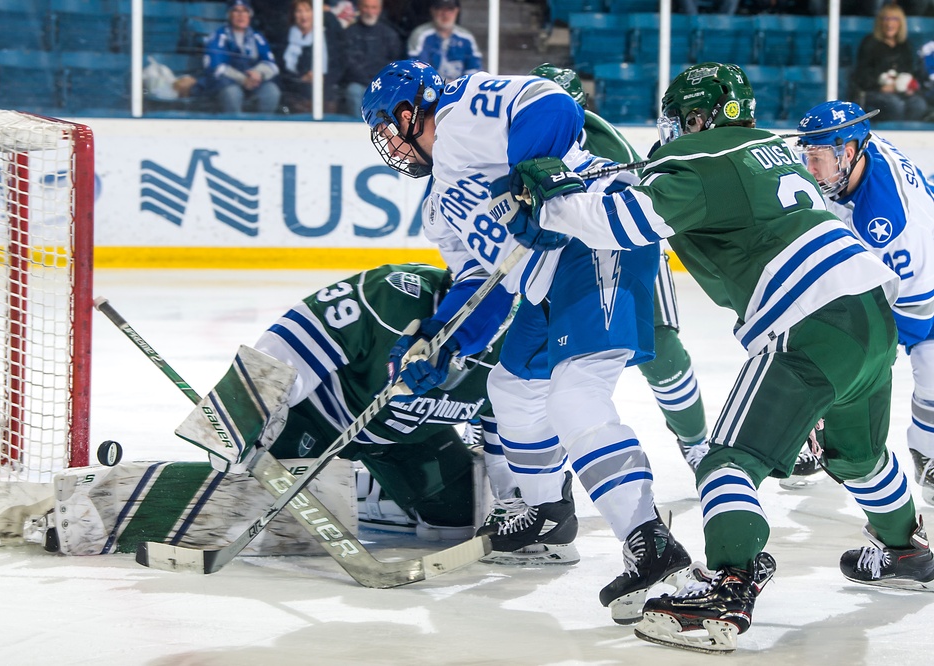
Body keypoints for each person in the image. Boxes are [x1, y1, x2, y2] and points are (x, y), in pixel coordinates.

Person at [506, 62, 933, 653]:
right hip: (870, 317)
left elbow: (622, 223)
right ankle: (906, 550)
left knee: (726, 462)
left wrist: (551, 199)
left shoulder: (701, 160)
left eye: (679, 120)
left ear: (700, 118)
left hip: (806, 325)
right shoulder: (777, 149)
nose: (672, 131)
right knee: (858, 458)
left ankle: (729, 587)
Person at [360, 60, 694, 625]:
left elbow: (551, 105)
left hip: (594, 243)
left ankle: (652, 544)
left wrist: (531, 177)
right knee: (511, 389)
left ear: (412, 110)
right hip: (544, 284)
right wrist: (440, 342)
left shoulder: (463, 109)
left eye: (390, 129)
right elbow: (480, 287)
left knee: (575, 397)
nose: (391, 146)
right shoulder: (439, 206)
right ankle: (548, 518)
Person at [36, 264, 522, 555]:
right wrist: (242, 421)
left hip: (408, 441)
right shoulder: (392, 297)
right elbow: (287, 346)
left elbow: (508, 432)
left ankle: (364, 487)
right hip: (320, 422)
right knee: (245, 496)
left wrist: (516, 502)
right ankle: (106, 505)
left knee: (457, 521)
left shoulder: (525, 341)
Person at [531, 63, 710, 471]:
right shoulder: (512, 134)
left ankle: (696, 442)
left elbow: (637, 219)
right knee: (520, 346)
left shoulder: (608, 149)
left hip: (625, 245)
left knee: (660, 349)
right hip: (549, 253)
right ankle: (505, 434)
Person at [796, 100, 934, 508]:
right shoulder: (852, 152)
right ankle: (809, 433)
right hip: (910, 260)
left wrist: (867, 358)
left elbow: (915, 309)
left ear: (850, 152)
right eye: (809, 155)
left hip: (921, 286)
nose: (810, 167)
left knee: (921, 373)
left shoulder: (885, 221)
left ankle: (926, 455)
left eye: (818, 158)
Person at [200, 0, 282, 114]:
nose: (241, 15)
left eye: (245, 11)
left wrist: (258, 73)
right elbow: (216, 67)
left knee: (272, 92)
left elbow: (271, 64)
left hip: (254, 82)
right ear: (229, 14)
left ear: (250, 15)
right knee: (232, 93)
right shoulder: (219, 36)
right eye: (236, 11)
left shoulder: (257, 37)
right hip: (228, 83)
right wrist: (243, 79)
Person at [850, 3, 928, 122]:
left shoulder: (905, 46)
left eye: (894, 19)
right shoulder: (870, 43)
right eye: (886, 19)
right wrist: (881, 87)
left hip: (899, 92)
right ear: (880, 22)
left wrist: (908, 85)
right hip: (874, 91)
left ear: (900, 23)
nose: (889, 23)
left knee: (918, 104)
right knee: (894, 104)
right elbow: (862, 74)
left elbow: (909, 71)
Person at [341, 0, 405, 118]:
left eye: (373, 7)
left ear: (379, 10)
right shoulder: (349, 33)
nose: (370, 11)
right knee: (353, 91)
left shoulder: (389, 34)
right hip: (359, 83)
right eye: (366, 7)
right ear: (359, 8)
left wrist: (379, 81)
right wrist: (369, 82)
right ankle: (357, 129)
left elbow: (395, 63)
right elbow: (348, 63)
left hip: (384, 84)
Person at [280, 0, 346, 113]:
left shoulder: (328, 36)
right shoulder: (285, 37)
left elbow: (340, 63)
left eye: (307, 10)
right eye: (299, 11)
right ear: (293, 15)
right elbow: (282, 68)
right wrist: (302, 77)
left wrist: (325, 78)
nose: (303, 15)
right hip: (295, 87)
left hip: (327, 86)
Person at [407, 0, 482, 83]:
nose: (445, 14)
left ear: (457, 11)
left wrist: (460, 85)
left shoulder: (467, 38)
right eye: (440, 9)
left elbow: (475, 69)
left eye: (450, 9)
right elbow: (418, 68)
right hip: (430, 90)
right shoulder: (421, 35)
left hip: (461, 91)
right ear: (432, 11)